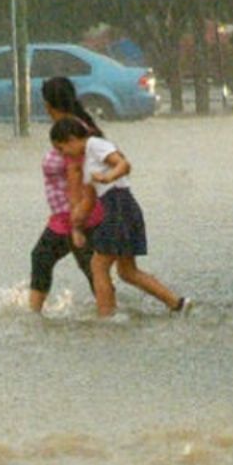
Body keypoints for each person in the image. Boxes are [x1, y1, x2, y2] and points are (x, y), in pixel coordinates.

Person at [50, 116, 191, 318]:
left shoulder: (95, 145)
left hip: (118, 205)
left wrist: (108, 177)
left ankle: (106, 317)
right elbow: (89, 201)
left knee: (98, 266)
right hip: (120, 207)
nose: (64, 155)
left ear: (71, 139)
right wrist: (76, 225)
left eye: (62, 149)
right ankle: (177, 304)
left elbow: (123, 164)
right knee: (127, 271)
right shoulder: (87, 161)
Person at [28, 77, 106, 313]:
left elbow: (79, 175)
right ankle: (110, 314)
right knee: (88, 267)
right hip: (68, 215)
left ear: (49, 104)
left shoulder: (74, 133)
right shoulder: (72, 128)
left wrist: (77, 222)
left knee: (88, 267)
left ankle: (110, 315)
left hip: (75, 215)